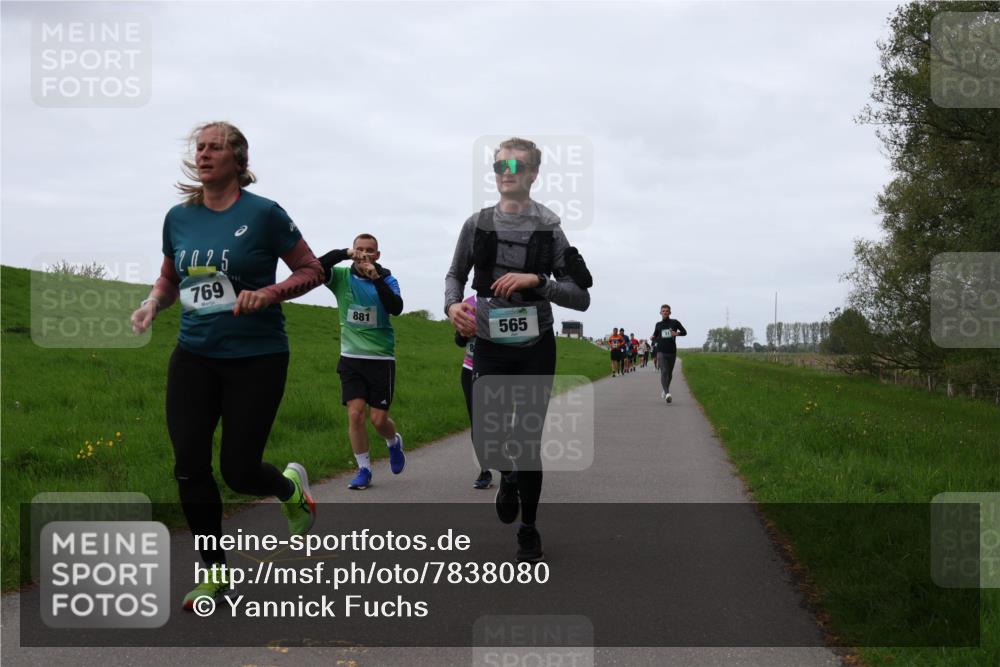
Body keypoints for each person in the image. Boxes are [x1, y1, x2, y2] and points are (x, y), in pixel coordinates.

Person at [129, 121, 323, 610]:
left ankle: (289, 489)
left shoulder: (264, 215)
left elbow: (312, 270)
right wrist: (153, 303)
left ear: (238, 159)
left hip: (256, 358)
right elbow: (171, 277)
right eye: (200, 147)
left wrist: (269, 293)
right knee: (189, 466)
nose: (205, 154)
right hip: (194, 355)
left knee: (238, 471)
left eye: (215, 147)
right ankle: (215, 573)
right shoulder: (178, 217)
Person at [445, 137, 591, 562]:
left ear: (532, 175)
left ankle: (528, 528)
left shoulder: (550, 229)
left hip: (535, 347)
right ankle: (505, 476)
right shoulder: (476, 225)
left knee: (527, 441)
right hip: (489, 342)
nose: (506, 171)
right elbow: (455, 274)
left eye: (516, 165)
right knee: (487, 442)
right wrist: (453, 305)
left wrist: (536, 281)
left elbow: (580, 296)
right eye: (498, 165)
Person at [318, 234, 405, 490]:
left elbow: (396, 307)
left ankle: (393, 442)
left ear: (377, 255)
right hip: (351, 358)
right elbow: (316, 266)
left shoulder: (388, 279)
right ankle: (364, 470)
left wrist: (375, 278)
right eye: (360, 249)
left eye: (369, 250)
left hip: (381, 359)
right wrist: (344, 253)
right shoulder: (342, 277)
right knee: (355, 415)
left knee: (378, 421)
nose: (364, 254)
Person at [454, 295, 491, 489]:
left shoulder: (506, 300)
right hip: (469, 370)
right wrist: (465, 332)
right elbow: (459, 341)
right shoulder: (468, 302)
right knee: (477, 423)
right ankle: (485, 470)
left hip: (496, 370)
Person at [651, 304, 687, 403]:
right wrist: (652, 337)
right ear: (660, 312)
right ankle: (667, 393)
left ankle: (665, 389)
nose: (665, 312)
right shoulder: (658, 324)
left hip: (672, 351)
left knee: (670, 374)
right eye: (663, 311)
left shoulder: (675, 322)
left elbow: (684, 332)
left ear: (670, 312)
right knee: (664, 372)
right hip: (661, 351)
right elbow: (655, 335)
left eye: (667, 311)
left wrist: (677, 334)